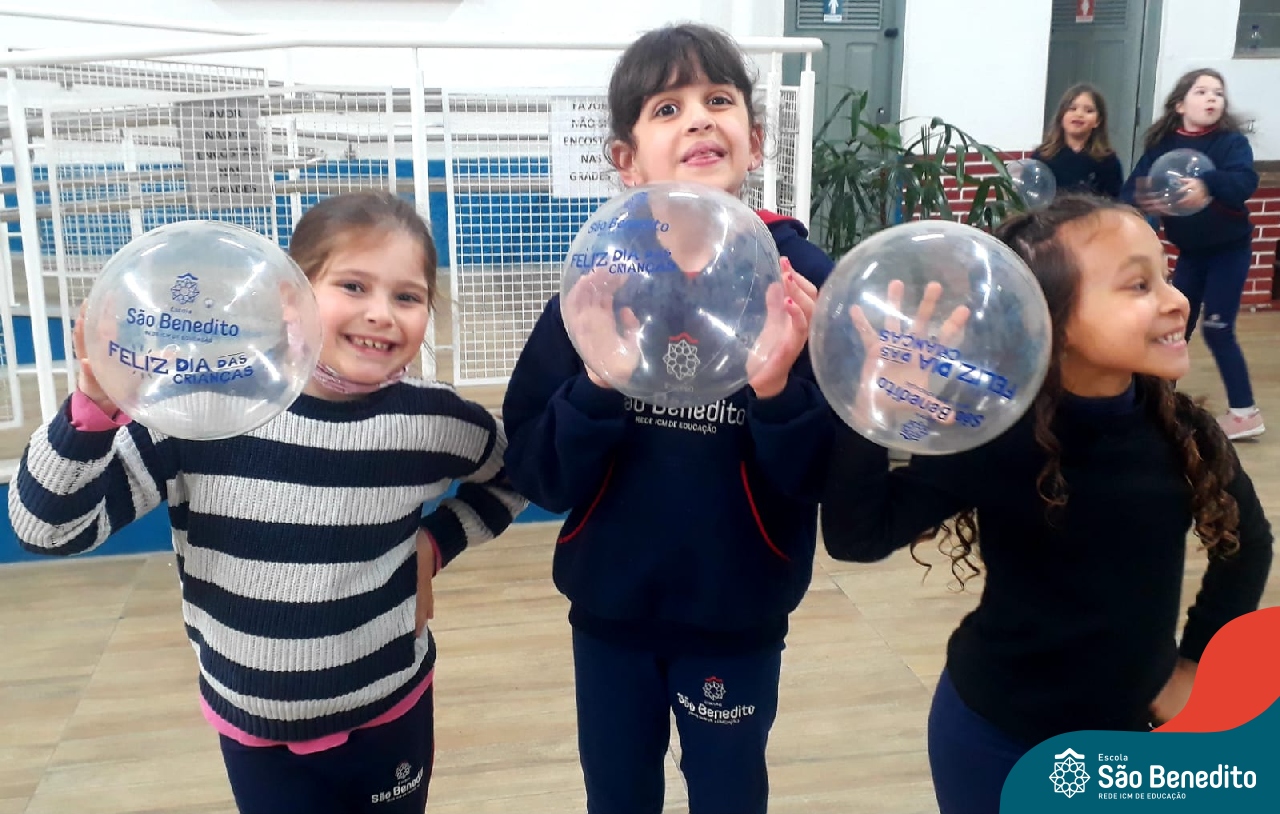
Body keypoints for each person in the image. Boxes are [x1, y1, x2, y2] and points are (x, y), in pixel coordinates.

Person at [8, 191, 528, 814]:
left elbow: (518, 474)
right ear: (290, 297)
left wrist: (437, 542)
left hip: (391, 711)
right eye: (353, 286)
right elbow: (46, 529)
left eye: (407, 297)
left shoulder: (435, 421)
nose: (381, 314)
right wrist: (90, 416)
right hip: (255, 733)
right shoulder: (199, 409)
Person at [820, 194, 1273, 814]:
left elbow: (1248, 546)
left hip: (1126, 744)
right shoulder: (992, 436)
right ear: (1051, 322)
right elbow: (858, 535)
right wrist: (875, 416)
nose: (1175, 300)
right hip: (995, 741)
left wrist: (1195, 665)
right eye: (1139, 285)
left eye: (1166, 275)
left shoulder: (1182, 433)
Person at [501, 23, 832, 814]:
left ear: (755, 139)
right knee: (617, 796)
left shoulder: (802, 286)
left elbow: (825, 474)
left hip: (737, 613)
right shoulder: (596, 288)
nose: (698, 119)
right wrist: (597, 387)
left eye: (718, 100)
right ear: (627, 160)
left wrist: (778, 393)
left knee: (728, 794)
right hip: (610, 612)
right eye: (667, 108)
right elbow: (539, 472)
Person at [1122, 68, 1263, 440]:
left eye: (1218, 92)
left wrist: (1207, 184)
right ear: (1180, 105)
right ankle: (1159, 404)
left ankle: (1245, 413)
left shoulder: (1231, 144)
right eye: (1201, 91)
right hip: (1191, 254)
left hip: (1228, 252)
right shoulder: (1163, 146)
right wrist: (1146, 212)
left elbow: (1243, 183)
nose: (1212, 98)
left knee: (1217, 329)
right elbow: (1133, 192)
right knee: (1173, 326)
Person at [1031, 83, 1123, 198]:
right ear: (1061, 116)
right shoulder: (1041, 157)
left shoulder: (1108, 162)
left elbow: (1113, 202)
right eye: (1072, 109)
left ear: (1098, 121)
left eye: (1088, 111)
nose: (1079, 114)